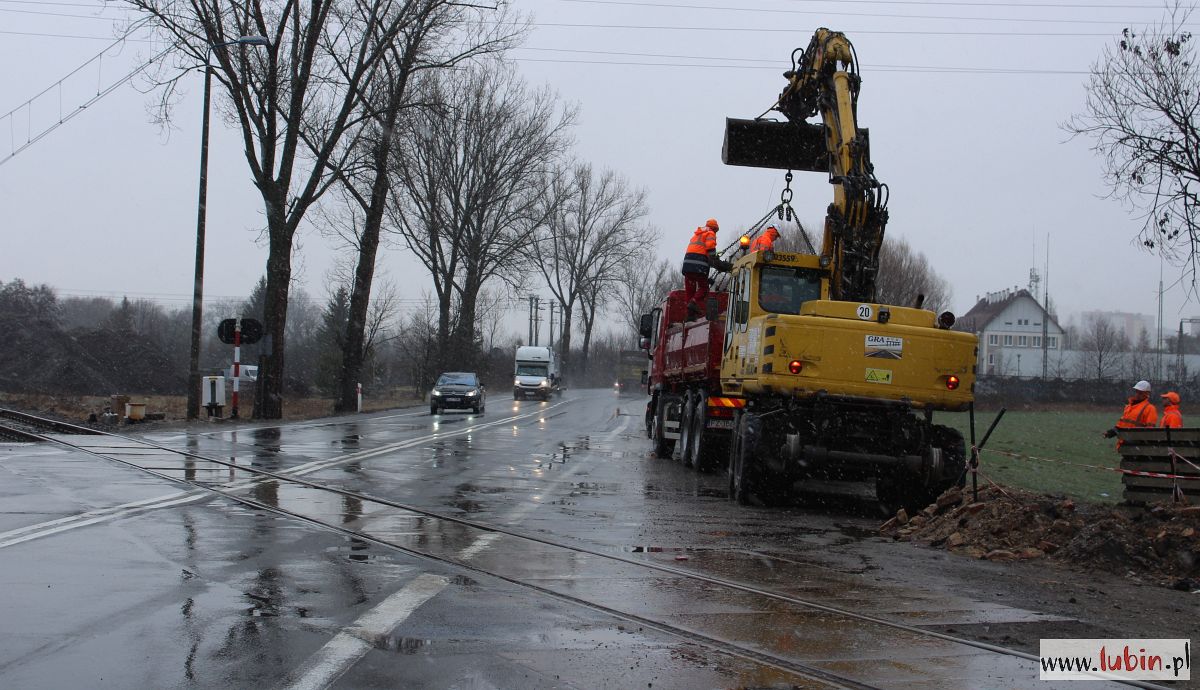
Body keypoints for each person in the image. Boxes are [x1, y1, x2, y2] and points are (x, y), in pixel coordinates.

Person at [681, 218, 731, 320]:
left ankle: (690, 315)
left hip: (687, 266)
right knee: (703, 288)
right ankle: (693, 303)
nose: (715, 233)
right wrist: (718, 262)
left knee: (690, 290)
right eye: (716, 230)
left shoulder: (697, 235)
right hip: (699, 265)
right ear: (714, 228)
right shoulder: (710, 233)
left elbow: (698, 250)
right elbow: (710, 250)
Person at [1103, 379, 1158, 447]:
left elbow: (1150, 431)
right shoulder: (1129, 406)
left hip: (1137, 446)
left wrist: (1139, 442)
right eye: (1137, 392)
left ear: (1147, 394)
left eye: (1140, 393)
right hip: (1125, 444)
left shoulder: (1150, 408)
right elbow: (1121, 425)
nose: (1137, 394)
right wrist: (1110, 433)